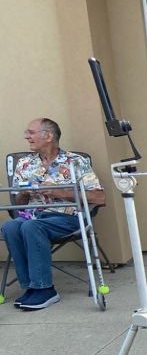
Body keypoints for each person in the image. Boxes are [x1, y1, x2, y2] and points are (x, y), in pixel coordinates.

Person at [2, 118, 105, 310]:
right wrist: (24, 193)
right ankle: (31, 287)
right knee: (10, 226)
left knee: (31, 226)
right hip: (32, 218)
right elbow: (19, 204)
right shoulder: (24, 164)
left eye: (31, 132)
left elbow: (99, 197)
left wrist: (61, 193)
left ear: (48, 136)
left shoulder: (75, 161)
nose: (26, 136)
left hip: (66, 218)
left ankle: (45, 289)